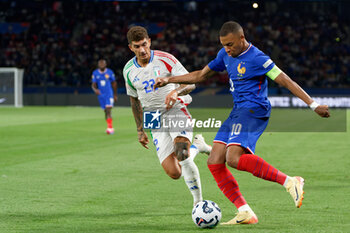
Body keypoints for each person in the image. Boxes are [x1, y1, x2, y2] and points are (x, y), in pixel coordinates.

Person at [154, 21, 330, 225]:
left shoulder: (258, 58)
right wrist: (169, 80)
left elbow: (285, 80)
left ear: (241, 38)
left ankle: (290, 181)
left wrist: (313, 104)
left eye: (230, 44)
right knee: (214, 161)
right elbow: (200, 75)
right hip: (238, 111)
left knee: (234, 158)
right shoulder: (225, 55)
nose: (226, 49)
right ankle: (245, 211)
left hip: (254, 110)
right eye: (223, 45)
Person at [123, 26, 212, 206]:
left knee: (181, 152)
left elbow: (191, 84)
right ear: (130, 48)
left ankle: (199, 203)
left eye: (144, 45)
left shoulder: (166, 59)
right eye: (137, 46)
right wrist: (140, 130)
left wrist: (176, 92)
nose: (142, 50)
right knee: (174, 172)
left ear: (149, 42)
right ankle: (198, 147)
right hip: (153, 118)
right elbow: (134, 100)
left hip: (174, 110)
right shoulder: (128, 70)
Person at [91, 59, 118, 134]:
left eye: (103, 64)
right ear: (98, 65)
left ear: (106, 65)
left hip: (109, 94)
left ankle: (110, 128)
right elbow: (93, 84)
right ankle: (109, 126)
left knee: (108, 109)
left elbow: (114, 83)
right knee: (106, 111)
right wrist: (95, 90)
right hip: (101, 95)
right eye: (100, 64)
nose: (102, 65)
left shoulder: (109, 72)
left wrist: (115, 95)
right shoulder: (95, 73)